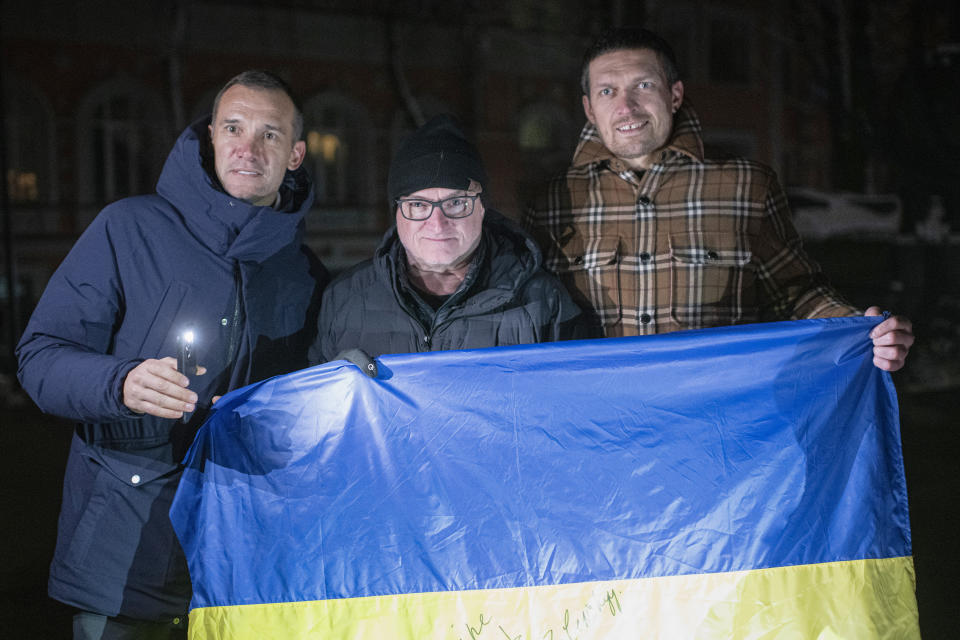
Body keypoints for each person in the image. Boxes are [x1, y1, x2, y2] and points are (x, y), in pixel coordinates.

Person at [16, 70, 328, 638]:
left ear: (296, 154)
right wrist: (120, 383)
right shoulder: (128, 228)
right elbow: (39, 357)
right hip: (122, 562)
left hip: (241, 575)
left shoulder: (302, 273)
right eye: (233, 128)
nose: (248, 148)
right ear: (210, 136)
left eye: (270, 134)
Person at [523, 27, 913, 371]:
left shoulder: (746, 186)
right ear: (589, 108)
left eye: (643, 85)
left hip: (716, 427)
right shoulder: (551, 201)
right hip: (597, 428)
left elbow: (795, 293)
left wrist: (863, 330)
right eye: (608, 91)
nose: (626, 107)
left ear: (674, 95)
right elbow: (523, 310)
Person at [310, 114, 585, 368]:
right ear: (396, 212)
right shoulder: (344, 299)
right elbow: (317, 412)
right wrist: (336, 386)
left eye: (456, 202)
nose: (437, 223)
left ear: (483, 208)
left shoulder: (542, 302)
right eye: (418, 204)